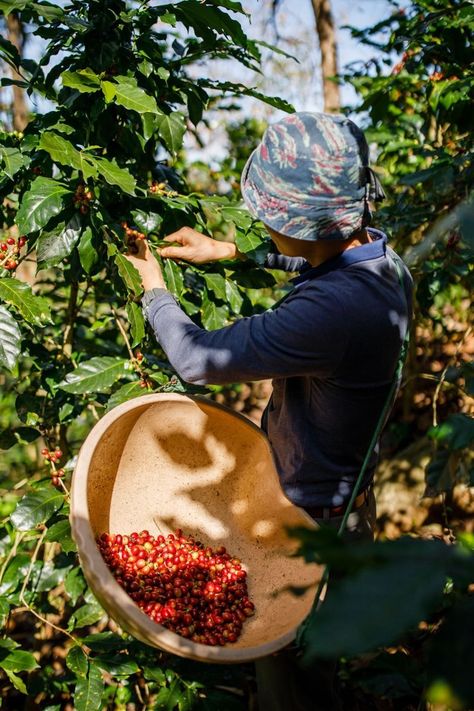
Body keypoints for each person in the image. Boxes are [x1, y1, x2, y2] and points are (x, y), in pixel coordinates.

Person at [125, 111, 413, 710]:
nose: (264, 225)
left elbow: (200, 359)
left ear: (304, 222)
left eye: (271, 220)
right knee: (327, 661)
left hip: (309, 525)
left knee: (293, 673)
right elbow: (316, 257)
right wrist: (230, 251)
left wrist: (154, 288)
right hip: (348, 497)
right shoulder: (383, 263)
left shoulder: (330, 314)